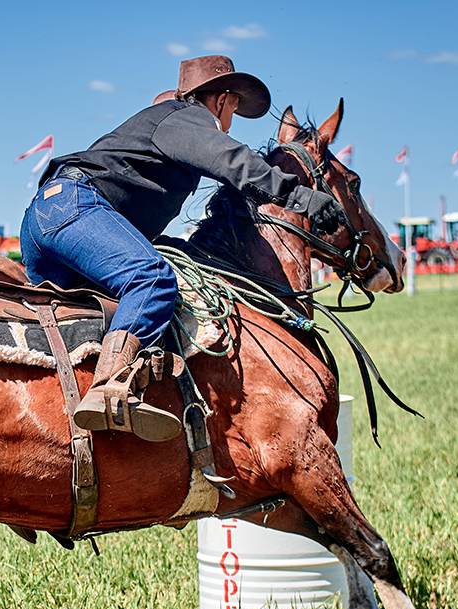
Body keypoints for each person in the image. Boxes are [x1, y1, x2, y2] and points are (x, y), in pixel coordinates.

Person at [20, 55, 345, 442]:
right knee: (152, 279)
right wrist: (302, 198)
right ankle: (111, 387)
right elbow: (234, 163)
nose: (230, 121)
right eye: (235, 108)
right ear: (223, 101)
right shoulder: (184, 117)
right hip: (73, 209)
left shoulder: (161, 123)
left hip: (50, 217)